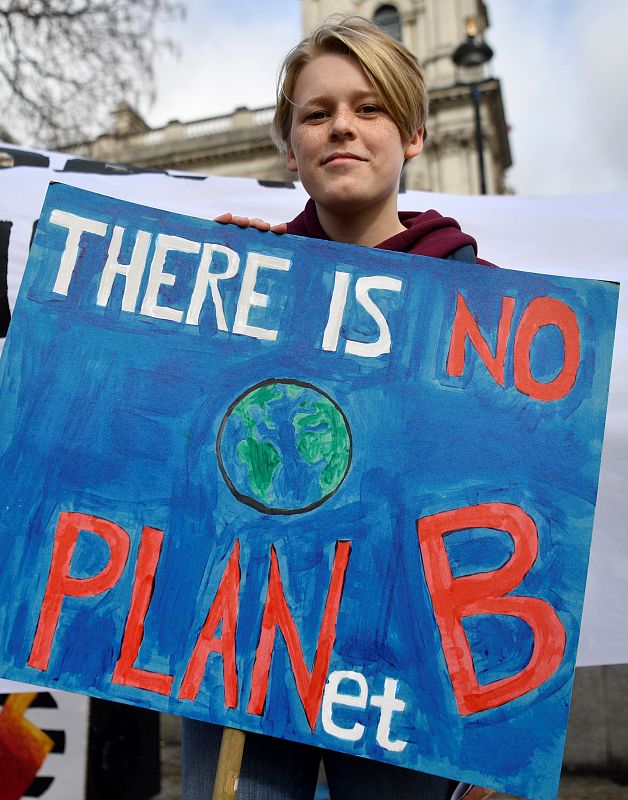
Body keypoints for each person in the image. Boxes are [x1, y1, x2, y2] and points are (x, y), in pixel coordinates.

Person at [183, 15, 491, 800]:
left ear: (414, 135)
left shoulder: (484, 306)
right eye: (317, 114)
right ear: (290, 149)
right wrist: (207, 318)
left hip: (403, 659)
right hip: (247, 650)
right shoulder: (240, 281)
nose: (342, 128)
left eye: (369, 108)